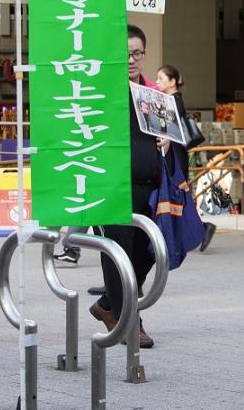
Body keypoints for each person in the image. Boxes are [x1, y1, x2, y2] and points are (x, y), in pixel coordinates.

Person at [89, 25, 163, 348]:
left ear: (145, 56)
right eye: (125, 54)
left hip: (150, 187)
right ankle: (130, 322)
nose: (131, 59)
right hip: (111, 186)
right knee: (117, 253)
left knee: (148, 253)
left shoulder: (153, 96)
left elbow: (175, 138)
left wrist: (169, 142)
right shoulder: (102, 92)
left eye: (137, 53)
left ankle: (108, 304)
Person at [155, 64, 216, 251]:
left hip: (176, 155)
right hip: (176, 154)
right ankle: (193, 231)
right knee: (178, 196)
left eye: (160, 79)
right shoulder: (173, 100)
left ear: (172, 82)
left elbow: (171, 131)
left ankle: (201, 228)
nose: (157, 83)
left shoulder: (173, 101)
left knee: (178, 195)